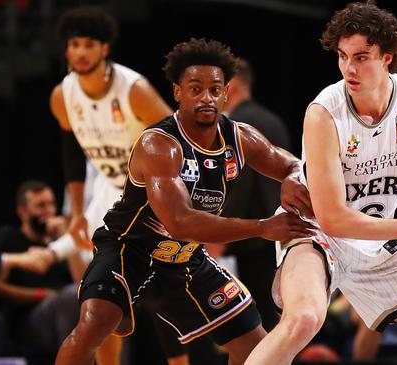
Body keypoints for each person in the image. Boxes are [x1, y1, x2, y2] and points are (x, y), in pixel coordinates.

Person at [245, 2, 397, 365]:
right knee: (303, 320)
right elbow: (332, 219)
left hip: (374, 239)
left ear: (387, 57)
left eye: (362, 57)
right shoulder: (323, 113)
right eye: (343, 56)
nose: (349, 67)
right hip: (314, 230)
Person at [54, 37, 314, 365]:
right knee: (94, 324)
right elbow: (180, 222)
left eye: (214, 89)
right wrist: (263, 227)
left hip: (184, 259)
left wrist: (292, 178)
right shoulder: (158, 145)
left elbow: (290, 163)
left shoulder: (240, 137)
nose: (206, 97)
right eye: (195, 89)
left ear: (226, 92)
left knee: (258, 349)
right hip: (128, 251)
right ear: (178, 92)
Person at [47, 6, 177, 364]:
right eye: (74, 44)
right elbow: (72, 154)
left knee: (169, 300)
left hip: (151, 195)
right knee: (98, 302)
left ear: (105, 48)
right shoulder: (63, 96)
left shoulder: (133, 90)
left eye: (89, 44)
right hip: (107, 195)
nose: (81, 52)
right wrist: (75, 212)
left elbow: (177, 140)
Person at [220, 57, 292, 331]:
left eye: (218, 87)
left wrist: (221, 236)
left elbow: (238, 184)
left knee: (255, 321)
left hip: (253, 238)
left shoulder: (236, 125)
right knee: (278, 318)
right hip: (281, 232)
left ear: (233, 86)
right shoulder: (273, 120)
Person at [0, 181, 77, 362]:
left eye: (52, 204)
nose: (49, 211)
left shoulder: (59, 245)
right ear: (22, 212)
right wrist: (41, 294)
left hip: (67, 308)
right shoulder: (8, 237)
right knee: (69, 297)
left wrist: (66, 241)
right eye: (41, 206)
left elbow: (82, 279)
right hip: (26, 319)